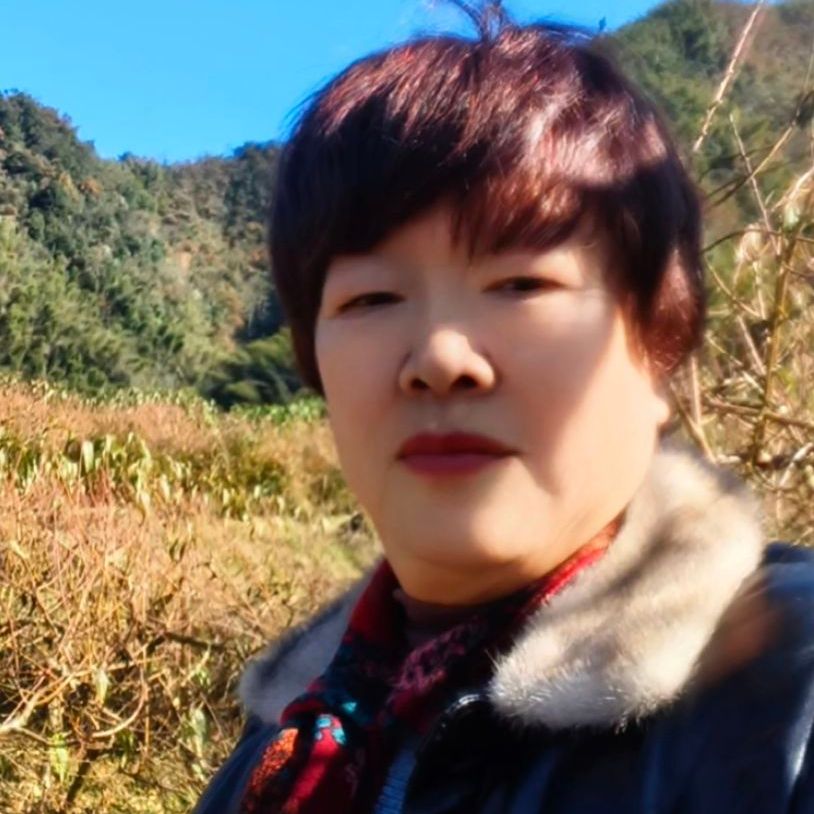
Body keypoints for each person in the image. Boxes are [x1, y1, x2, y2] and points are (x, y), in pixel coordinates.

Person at [194, 4, 814, 812]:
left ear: (657, 355)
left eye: (521, 285)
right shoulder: (275, 759)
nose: (440, 359)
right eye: (372, 298)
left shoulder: (790, 696)